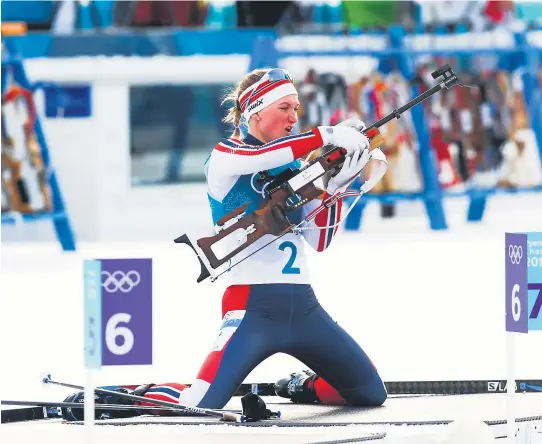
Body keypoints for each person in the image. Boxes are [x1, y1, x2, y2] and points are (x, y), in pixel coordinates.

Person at [61, 67, 387, 421]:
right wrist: (326, 135)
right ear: (255, 111)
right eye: (285, 108)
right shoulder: (226, 156)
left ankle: (298, 387)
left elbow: (320, 239)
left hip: (306, 308)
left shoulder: (296, 166)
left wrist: (336, 184)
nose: (294, 116)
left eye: (296, 108)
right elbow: (261, 158)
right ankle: (126, 396)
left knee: (369, 392)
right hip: (252, 309)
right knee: (198, 405)